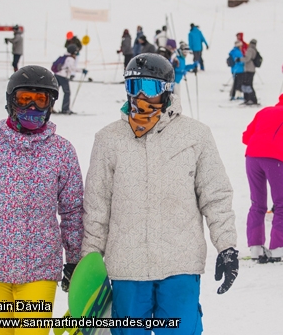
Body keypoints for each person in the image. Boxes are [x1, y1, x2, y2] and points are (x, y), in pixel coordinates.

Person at [82, 54, 238, 333]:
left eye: (150, 88)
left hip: (179, 264)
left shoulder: (195, 135)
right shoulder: (108, 139)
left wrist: (226, 246)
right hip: (127, 267)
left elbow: (215, 196)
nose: (141, 96)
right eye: (134, 87)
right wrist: (89, 262)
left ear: (167, 90)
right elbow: (97, 206)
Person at [0, 66, 84, 335]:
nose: (33, 105)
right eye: (25, 98)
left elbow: (72, 211)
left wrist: (74, 259)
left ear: (51, 104)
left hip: (40, 266)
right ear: (11, 99)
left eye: (41, 99)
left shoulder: (62, 151)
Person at [243, 90, 283, 261]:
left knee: (257, 202)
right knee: (282, 203)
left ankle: (256, 247)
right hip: (275, 159)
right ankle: (280, 246)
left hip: (252, 157)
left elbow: (246, 137)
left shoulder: (264, 111)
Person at [54, 45, 88, 114]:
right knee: (67, 92)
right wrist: (82, 70)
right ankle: (65, 109)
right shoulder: (70, 59)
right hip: (63, 77)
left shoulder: (65, 57)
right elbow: (72, 68)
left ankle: (49, 108)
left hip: (57, 75)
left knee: (54, 92)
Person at [239, 39, 259, 105]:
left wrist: (239, 59)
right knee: (248, 84)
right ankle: (250, 99)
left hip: (248, 69)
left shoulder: (250, 49)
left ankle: (250, 99)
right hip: (251, 69)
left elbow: (247, 59)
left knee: (247, 84)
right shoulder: (254, 49)